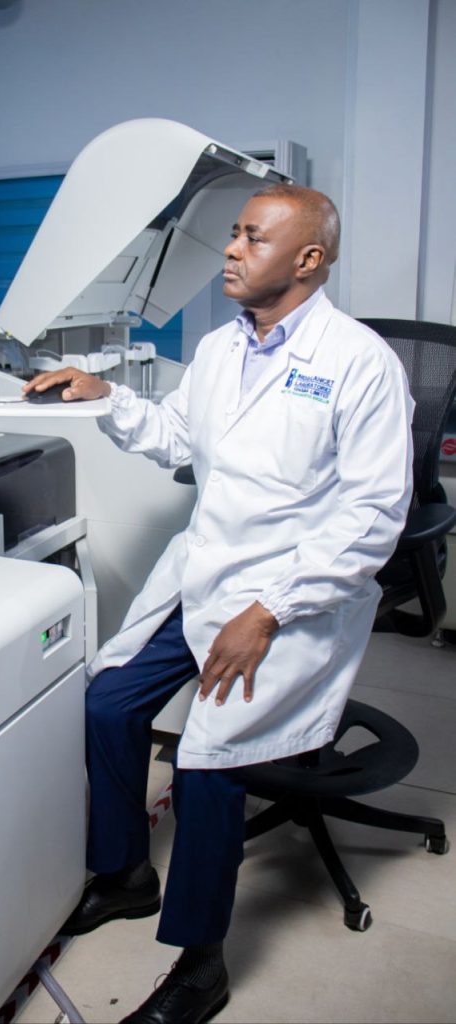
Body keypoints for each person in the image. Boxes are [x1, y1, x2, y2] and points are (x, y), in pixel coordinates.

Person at [22, 184, 414, 1024]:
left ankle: (202, 965)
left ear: (308, 260)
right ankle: (127, 874)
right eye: (234, 234)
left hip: (292, 597)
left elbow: (374, 517)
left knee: (207, 760)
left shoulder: (359, 363)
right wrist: (108, 397)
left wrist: (269, 609)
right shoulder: (219, 349)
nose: (232, 250)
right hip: (206, 573)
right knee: (107, 701)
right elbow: (179, 438)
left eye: (254, 238)